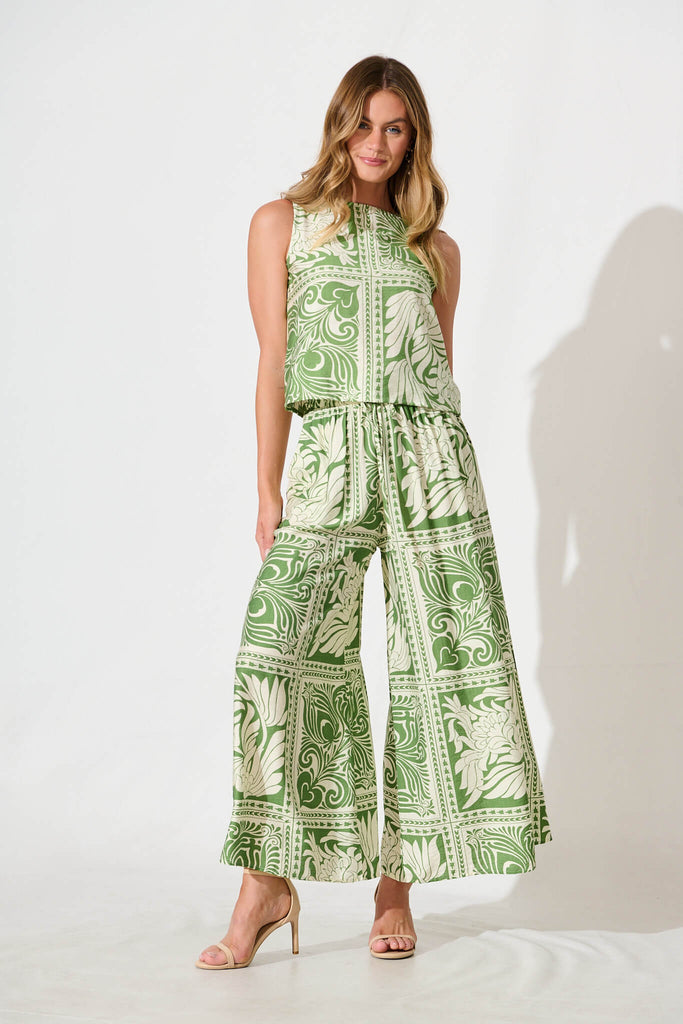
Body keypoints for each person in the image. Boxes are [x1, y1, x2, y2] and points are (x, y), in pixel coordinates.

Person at [196, 54, 552, 970]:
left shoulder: (435, 248)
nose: (377, 143)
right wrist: (268, 488)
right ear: (338, 125)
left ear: (413, 138)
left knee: (435, 670)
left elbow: (436, 372)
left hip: (430, 464)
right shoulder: (282, 223)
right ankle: (267, 884)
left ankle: (397, 887)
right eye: (363, 124)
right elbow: (273, 359)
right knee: (276, 653)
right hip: (328, 457)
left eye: (395, 128)